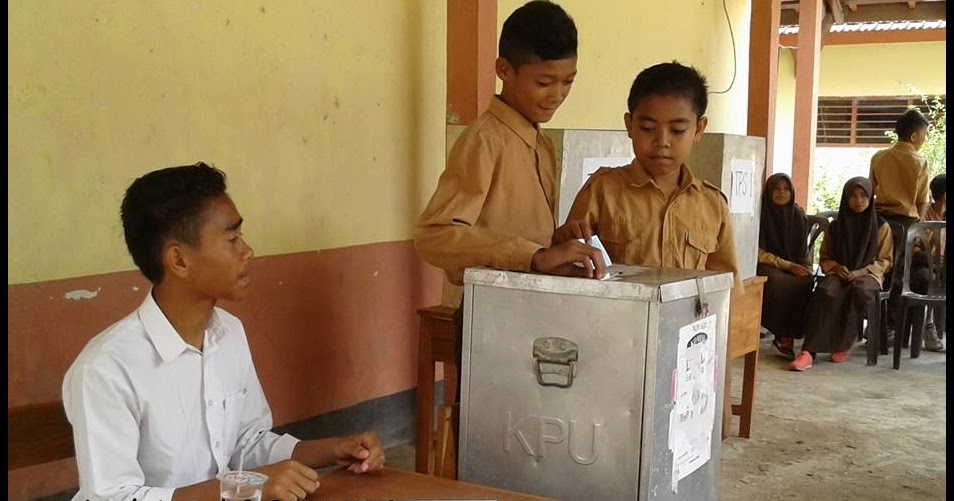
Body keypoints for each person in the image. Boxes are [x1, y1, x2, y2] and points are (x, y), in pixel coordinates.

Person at [63, 163, 385, 501]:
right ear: (179, 261)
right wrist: (242, 487)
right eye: (231, 239)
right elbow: (114, 497)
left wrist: (332, 450)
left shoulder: (228, 333)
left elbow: (246, 443)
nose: (247, 251)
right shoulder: (106, 369)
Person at [414, 0, 605, 389]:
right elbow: (435, 235)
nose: (557, 94)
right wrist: (533, 256)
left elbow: (520, 231)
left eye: (568, 81)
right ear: (504, 70)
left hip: (532, 310)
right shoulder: (485, 141)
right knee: (488, 434)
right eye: (544, 82)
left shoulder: (541, 143)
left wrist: (557, 241)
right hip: (490, 317)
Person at [553, 61, 740, 439]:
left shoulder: (712, 206)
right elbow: (567, 277)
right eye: (648, 128)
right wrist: (562, 242)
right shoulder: (602, 191)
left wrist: (719, 389)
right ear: (629, 124)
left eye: (678, 129)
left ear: (699, 129)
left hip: (685, 361)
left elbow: (723, 300)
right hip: (613, 355)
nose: (662, 142)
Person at [790, 177, 893, 371]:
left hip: (868, 274)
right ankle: (808, 351)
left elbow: (885, 261)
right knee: (825, 291)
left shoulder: (881, 226)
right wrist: (837, 267)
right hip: (840, 271)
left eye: (863, 195)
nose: (858, 200)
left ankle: (844, 342)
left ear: (871, 198)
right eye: (852, 195)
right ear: (845, 198)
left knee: (859, 290)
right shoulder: (836, 226)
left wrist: (861, 271)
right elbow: (826, 256)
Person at [869, 108, 931, 336]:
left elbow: (870, 190)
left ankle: (872, 322)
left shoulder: (879, 157)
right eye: (924, 134)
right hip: (906, 224)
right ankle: (890, 326)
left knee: (878, 271)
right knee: (899, 275)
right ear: (914, 136)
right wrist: (920, 230)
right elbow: (922, 201)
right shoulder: (920, 161)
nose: (924, 139)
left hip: (878, 222)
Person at [755, 173, 814, 358]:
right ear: (768, 191)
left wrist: (806, 267)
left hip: (790, 264)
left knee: (804, 281)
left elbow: (802, 250)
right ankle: (781, 335)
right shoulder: (760, 214)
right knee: (778, 282)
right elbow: (757, 252)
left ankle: (788, 334)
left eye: (786, 189)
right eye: (776, 188)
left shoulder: (797, 214)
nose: (781, 193)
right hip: (765, 263)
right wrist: (787, 265)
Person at [912, 172, 946, 351]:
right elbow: (912, 248)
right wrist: (929, 257)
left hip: (943, 267)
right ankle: (928, 325)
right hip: (920, 265)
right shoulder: (923, 214)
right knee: (930, 278)